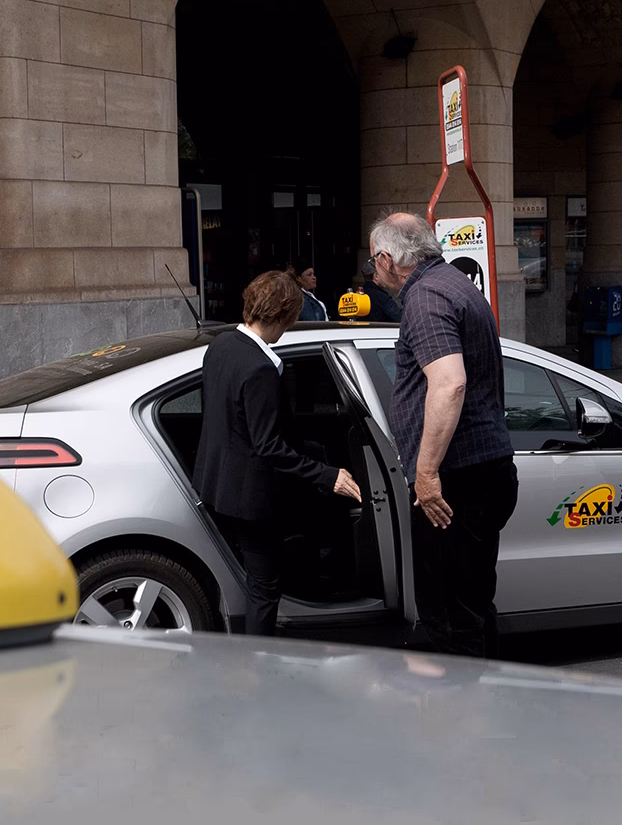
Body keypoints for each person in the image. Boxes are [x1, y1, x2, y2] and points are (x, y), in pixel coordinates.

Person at [369, 212, 517, 659]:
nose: (373, 273)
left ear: (387, 259)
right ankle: (483, 709)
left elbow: (449, 382)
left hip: (457, 480)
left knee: (449, 610)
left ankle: (462, 718)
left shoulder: (426, 298)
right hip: (481, 469)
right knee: (471, 602)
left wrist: (427, 472)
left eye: (372, 264)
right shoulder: (453, 284)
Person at [192, 271, 362, 636]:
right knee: (264, 590)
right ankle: (260, 666)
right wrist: (328, 476)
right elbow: (268, 446)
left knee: (264, 578)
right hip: (250, 498)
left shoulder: (221, 345)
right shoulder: (260, 368)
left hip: (218, 482)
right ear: (286, 316)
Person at [359, 258, 403, 322]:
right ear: (376, 276)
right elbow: (400, 317)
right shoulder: (381, 297)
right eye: (384, 273)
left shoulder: (358, 296)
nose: (387, 277)